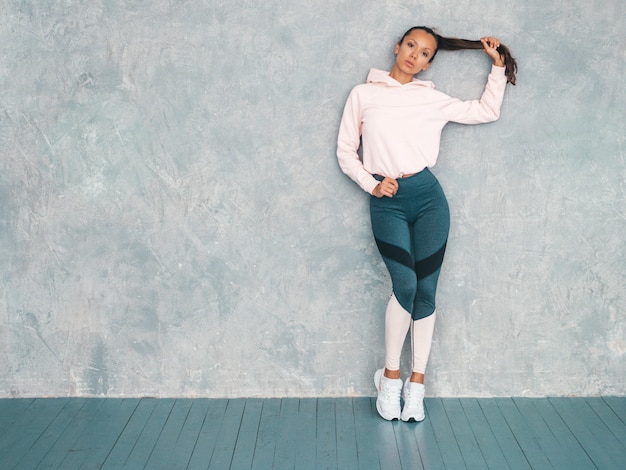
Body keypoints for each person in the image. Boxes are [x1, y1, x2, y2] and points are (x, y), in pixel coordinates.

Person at [336, 26, 517, 422]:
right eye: (411, 46)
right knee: (405, 285)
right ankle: (390, 379)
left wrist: (498, 69)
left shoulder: (430, 99)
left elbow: (486, 111)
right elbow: (346, 151)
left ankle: (416, 388)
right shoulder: (363, 94)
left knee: (427, 291)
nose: (414, 55)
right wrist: (371, 183)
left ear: (429, 63)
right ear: (397, 46)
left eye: (424, 53)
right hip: (388, 202)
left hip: (430, 201)